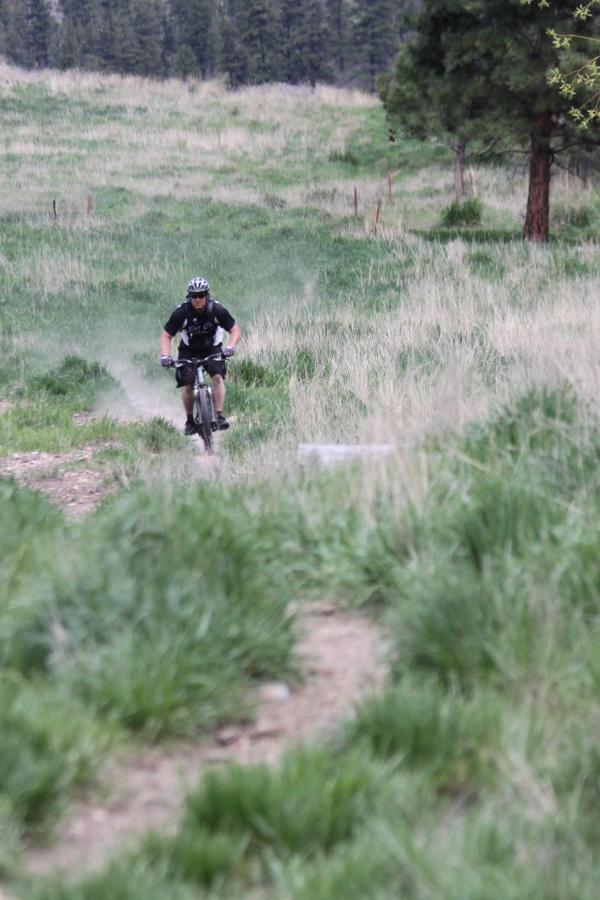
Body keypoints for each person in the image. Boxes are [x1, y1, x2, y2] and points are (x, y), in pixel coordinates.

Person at [160, 276, 241, 434]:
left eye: (201, 295)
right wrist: (165, 356)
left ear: (207, 295)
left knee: (217, 376)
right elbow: (166, 335)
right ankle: (190, 420)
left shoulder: (216, 310)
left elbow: (235, 330)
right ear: (189, 297)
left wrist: (230, 347)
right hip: (188, 349)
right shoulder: (181, 313)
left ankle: (218, 415)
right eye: (194, 296)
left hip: (212, 347)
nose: (198, 299)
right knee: (187, 383)